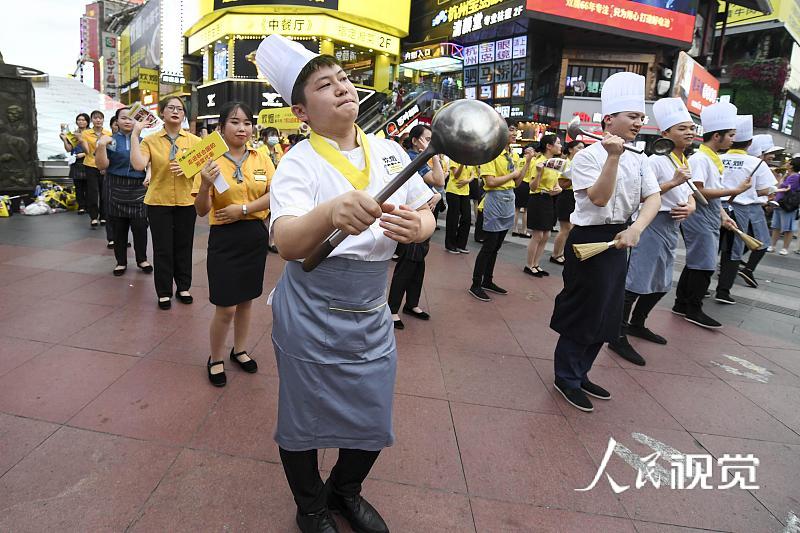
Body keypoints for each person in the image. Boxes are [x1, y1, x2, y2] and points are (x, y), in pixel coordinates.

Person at [256, 34, 435, 533]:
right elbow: (288, 241)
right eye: (324, 85)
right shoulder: (297, 162)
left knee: (373, 411)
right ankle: (310, 505)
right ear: (301, 112)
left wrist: (418, 229)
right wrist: (330, 211)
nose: (342, 89)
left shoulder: (392, 151)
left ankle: (344, 489)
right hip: (311, 306)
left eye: (344, 80)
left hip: (370, 304)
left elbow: (425, 212)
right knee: (302, 417)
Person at [549, 72, 661, 412]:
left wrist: (637, 228)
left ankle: (582, 373)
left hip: (620, 239)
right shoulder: (588, 156)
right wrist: (612, 157)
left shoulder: (641, 158)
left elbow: (653, 197)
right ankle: (566, 377)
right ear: (609, 119)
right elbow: (598, 199)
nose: (639, 122)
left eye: (641, 116)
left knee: (607, 314)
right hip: (588, 241)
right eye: (633, 116)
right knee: (583, 310)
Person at [607, 97, 696, 366]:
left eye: (691, 127)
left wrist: (690, 206)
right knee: (636, 282)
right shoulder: (655, 160)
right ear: (665, 133)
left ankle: (638, 323)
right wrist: (673, 182)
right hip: (652, 224)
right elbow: (645, 197)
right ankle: (617, 333)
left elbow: (691, 192)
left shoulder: (683, 159)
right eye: (682, 128)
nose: (690, 132)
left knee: (661, 283)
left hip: (671, 226)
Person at [193, 101, 274, 387]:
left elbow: (273, 194)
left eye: (247, 123)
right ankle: (215, 357)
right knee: (225, 306)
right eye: (235, 122)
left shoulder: (261, 157)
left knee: (246, 301)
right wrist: (204, 184)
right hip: (224, 238)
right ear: (220, 127)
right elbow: (201, 210)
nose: (242, 128)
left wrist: (243, 209)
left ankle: (239, 350)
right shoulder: (209, 161)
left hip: (253, 234)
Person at [673, 102, 748, 328]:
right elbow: (698, 190)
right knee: (704, 264)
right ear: (717, 136)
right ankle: (693, 309)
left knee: (698, 261)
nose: (733, 140)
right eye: (731, 135)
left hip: (710, 214)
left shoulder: (711, 158)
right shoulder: (700, 159)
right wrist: (734, 191)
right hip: (699, 217)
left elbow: (711, 193)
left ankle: (681, 304)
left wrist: (723, 215)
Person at [130, 96, 201, 310]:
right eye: (171, 107)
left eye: (180, 108)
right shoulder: (150, 140)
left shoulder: (195, 142)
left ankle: (183, 287)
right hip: (158, 201)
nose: (175, 111)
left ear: (184, 115)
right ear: (162, 113)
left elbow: (207, 168)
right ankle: (163, 292)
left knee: (183, 245)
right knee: (162, 248)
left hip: (186, 201)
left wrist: (190, 168)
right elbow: (138, 164)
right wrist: (135, 134)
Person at [469, 122, 533, 302]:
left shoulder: (511, 155)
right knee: (489, 245)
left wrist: (527, 163)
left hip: (508, 200)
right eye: (511, 130)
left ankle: (487, 281)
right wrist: (512, 176)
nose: (514, 133)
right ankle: (475, 284)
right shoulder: (491, 155)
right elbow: (489, 182)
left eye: (514, 130)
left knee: (496, 246)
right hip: (495, 201)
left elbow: (518, 183)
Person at [388, 124, 444, 329]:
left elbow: (436, 186)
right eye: (428, 139)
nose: (431, 143)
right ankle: (392, 309)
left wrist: (436, 195)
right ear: (415, 140)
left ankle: (412, 303)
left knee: (419, 262)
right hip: (414, 218)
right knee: (408, 263)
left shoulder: (421, 159)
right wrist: (434, 155)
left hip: (425, 215)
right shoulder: (413, 158)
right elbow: (438, 180)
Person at [715, 115, 775, 300]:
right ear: (749, 143)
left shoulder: (717, 158)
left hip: (715, 207)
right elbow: (764, 189)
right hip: (739, 210)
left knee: (710, 247)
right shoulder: (757, 163)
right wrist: (773, 189)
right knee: (733, 251)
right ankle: (723, 291)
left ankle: (694, 292)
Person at [94, 107, 152, 277]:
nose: (128, 121)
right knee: (118, 227)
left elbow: (150, 163)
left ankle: (142, 259)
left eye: (131, 118)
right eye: (123, 118)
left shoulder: (144, 141)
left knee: (140, 226)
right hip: (116, 185)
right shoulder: (110, 141)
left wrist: (149, 175)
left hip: (139, 187)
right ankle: (121, 262)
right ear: (116, 121)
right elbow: (102, 166)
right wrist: (101, 145)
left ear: (137, 121)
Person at [524, 134, 563, 277]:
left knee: (546, 235)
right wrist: (539, 173)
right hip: (537, 199)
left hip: (548, 200)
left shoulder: (554, 163)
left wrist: (558, 189)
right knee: (538, 234)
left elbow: (556, 184)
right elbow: (533, 187)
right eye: (558, 143)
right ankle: (529, 265)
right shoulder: (538, 162)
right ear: (549, 146)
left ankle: (536, 264)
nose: (560, 146)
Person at [81, 110, 113, 244]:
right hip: (90, 164)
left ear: (103, 120)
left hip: (104, 165)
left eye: (100, 118)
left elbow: (110, 150)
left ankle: (104, 216)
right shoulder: (86, 133)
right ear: (92, 120)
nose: (98, 120)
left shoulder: (109, 134)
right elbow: (86, 151)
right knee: (93, 191)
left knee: (104, 191)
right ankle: (93, 216)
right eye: (95, 118)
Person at [551, 140, 584, 264]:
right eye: (579, 148)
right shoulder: (565, 163)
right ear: (570, 149)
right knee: (565, 228)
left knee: (570, 229)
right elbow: (561, 184)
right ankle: (555, 254)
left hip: (575, 197)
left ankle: (562, 253)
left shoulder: (578, 164)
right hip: (566, 196)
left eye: (583, 148)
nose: (582, 150)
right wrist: (575, 177)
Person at [769, 155, 800, 254]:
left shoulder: (795, 177)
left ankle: (785, 248)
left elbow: (786, 188)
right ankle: (772, 246)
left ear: (791, 166)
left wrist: (780, 180)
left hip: (787, 205)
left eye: (788, 162)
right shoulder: (788, 175)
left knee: (788, 228)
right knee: (776, 226)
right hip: (780, 204)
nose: (786, 164)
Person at [444, 158, 475, 253]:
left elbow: (473, 174)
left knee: (467, 218)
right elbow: (456, 175)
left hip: (465, 191)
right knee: (453, 218)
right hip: (453, 190)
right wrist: (462, 163)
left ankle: (461, 244)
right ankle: (450, 245)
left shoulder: (470, 159)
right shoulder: (454, 158)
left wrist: (468, 181)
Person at [60, 114, 89, 214]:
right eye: (79, 120)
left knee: (89, 186)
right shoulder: (73, 134)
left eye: (83, 120)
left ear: (87, 122)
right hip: (75, 162)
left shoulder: (90, 133)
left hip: (88, 161)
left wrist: (84, 154)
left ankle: (90, 206)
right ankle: (81, 206)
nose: (81, 122)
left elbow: (95, 149)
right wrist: (64, 139)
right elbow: (69, 149)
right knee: (78, 186)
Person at [512, 142, 536, 238]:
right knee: (526, 210)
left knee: (516, 209)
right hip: (527, 185)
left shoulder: (520, 160)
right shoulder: (534, 161)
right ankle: (524, 230)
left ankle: (514, 229)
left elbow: (517, 172)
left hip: (518, 184)